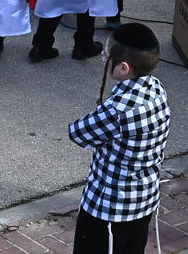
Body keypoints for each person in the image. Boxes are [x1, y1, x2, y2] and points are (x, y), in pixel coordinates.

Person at [68, 23, 171, 254]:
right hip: (144, 201)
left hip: (107, 209)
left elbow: (77, 132)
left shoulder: (117, 109)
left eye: (106, 56)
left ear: (123, 68)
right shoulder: (157, 89)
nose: (103, 59)